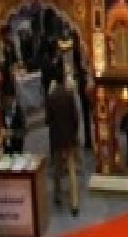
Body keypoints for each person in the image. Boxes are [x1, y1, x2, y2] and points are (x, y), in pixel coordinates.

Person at [47, 75, 81, 215]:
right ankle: (74, 202)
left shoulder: (51, 97)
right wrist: (74, 133)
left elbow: (48, 120)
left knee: (57, 168)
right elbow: (75, 118)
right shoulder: (69, 96)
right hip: (69, 137)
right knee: (71, 169)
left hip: (56, 138)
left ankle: (57, 195)